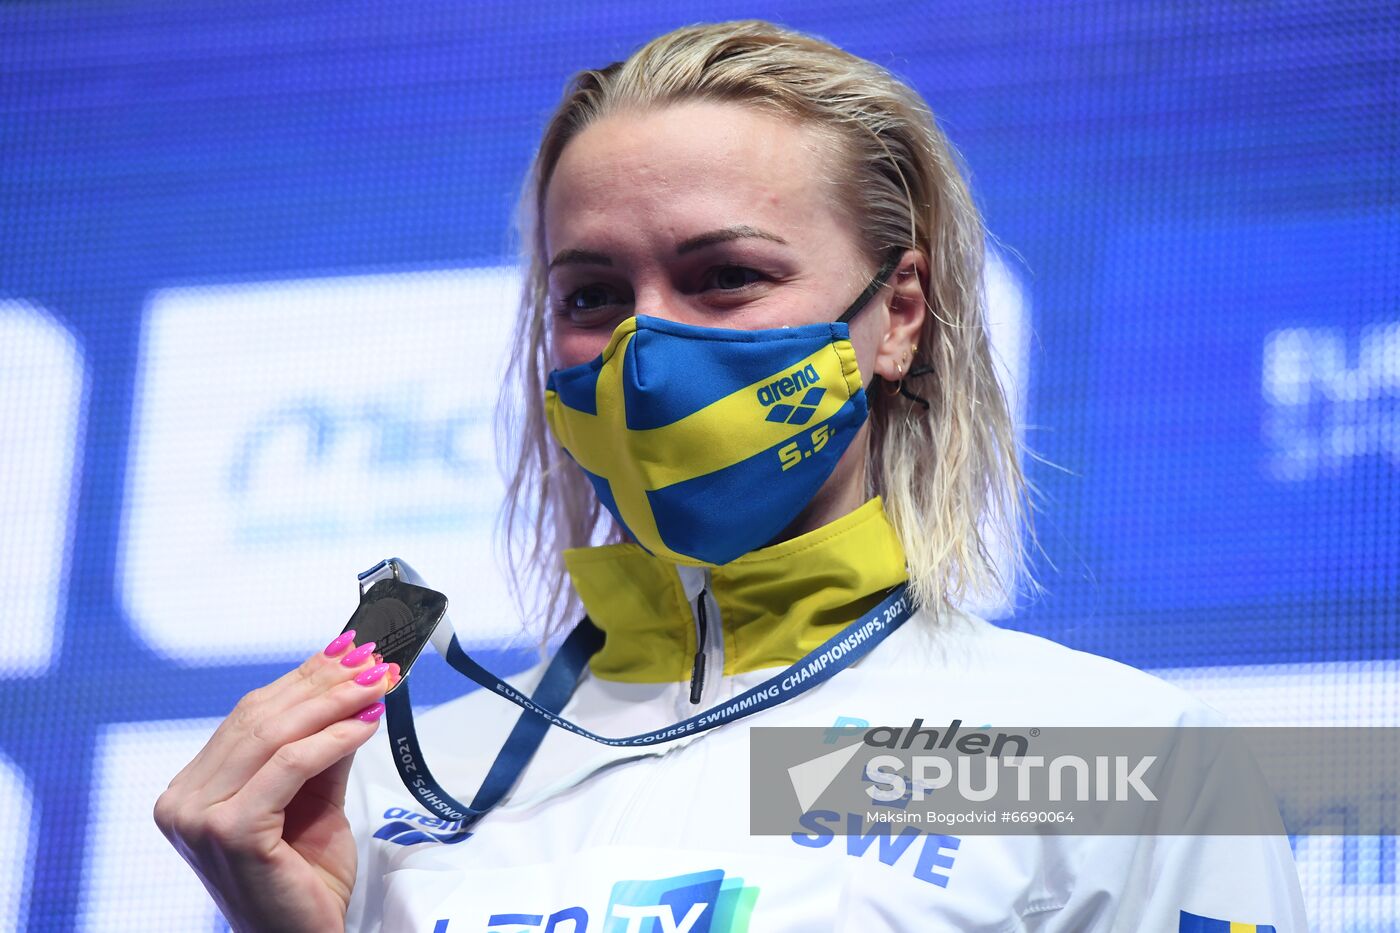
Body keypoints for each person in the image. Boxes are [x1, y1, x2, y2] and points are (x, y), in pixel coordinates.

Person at [155, 20, 1307, 932]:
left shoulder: (1107, 759)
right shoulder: (377, 802)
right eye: (592, 296)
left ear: (895, 316)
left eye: (726, 277)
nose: (644, 354)